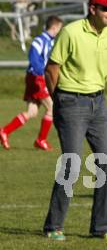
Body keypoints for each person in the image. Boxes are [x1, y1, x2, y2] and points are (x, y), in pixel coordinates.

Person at [42, 0, 107, 242]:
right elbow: (51, 68)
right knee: (72, 163)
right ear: (92, 9)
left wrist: (94, 89)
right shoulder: (71, 32)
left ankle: (101, 227)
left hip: (98, 102)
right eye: (106, 8)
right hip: (69, 101)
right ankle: (53, 226)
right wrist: (61, 100)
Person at [0, 16, 63, 151]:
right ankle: (41, 140)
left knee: (32, 112)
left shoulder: (50, 42)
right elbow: (33, 57)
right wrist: (41, 74)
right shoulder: (40, 40)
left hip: (36, 77)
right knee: (52, 108)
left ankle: (4, 131)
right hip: (37, 78)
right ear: (55, 27)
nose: (59, 31)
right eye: (59, 28)